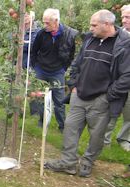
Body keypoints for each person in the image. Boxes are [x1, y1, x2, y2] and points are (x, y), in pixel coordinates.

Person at [44, 10, 130, 177]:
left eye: (94, 25)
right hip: (79, 94)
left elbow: (127, 75)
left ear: (107, 24)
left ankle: (87, 162)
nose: (90, 28)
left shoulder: (124, 44)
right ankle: (68, 162)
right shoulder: (90, 39)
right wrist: (73, 84)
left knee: (97, 134)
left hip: (101, 98)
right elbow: (77, 63)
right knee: (70, 128)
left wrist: (109, 95)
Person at [31, 8, 78, 132]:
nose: (45, 25)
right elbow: (34, 51)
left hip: (57, 72)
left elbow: (71, 54)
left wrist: (63, 69)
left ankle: (62, 126)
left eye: (47, 23)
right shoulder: (42, 33)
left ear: (56, 21)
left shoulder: (68, 34)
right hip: (41, 70)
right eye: (44, 22)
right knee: (40, 97)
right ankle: (42, 120)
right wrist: (35, 67)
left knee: (59, 101)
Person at [104, 4, 130, 151]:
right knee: (112, 112)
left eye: (128, 17)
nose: (124, 20)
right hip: (118, 80)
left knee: (129, 114)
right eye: (123, 17)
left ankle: (124, 138)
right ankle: (104, 141)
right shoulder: (118, 36)